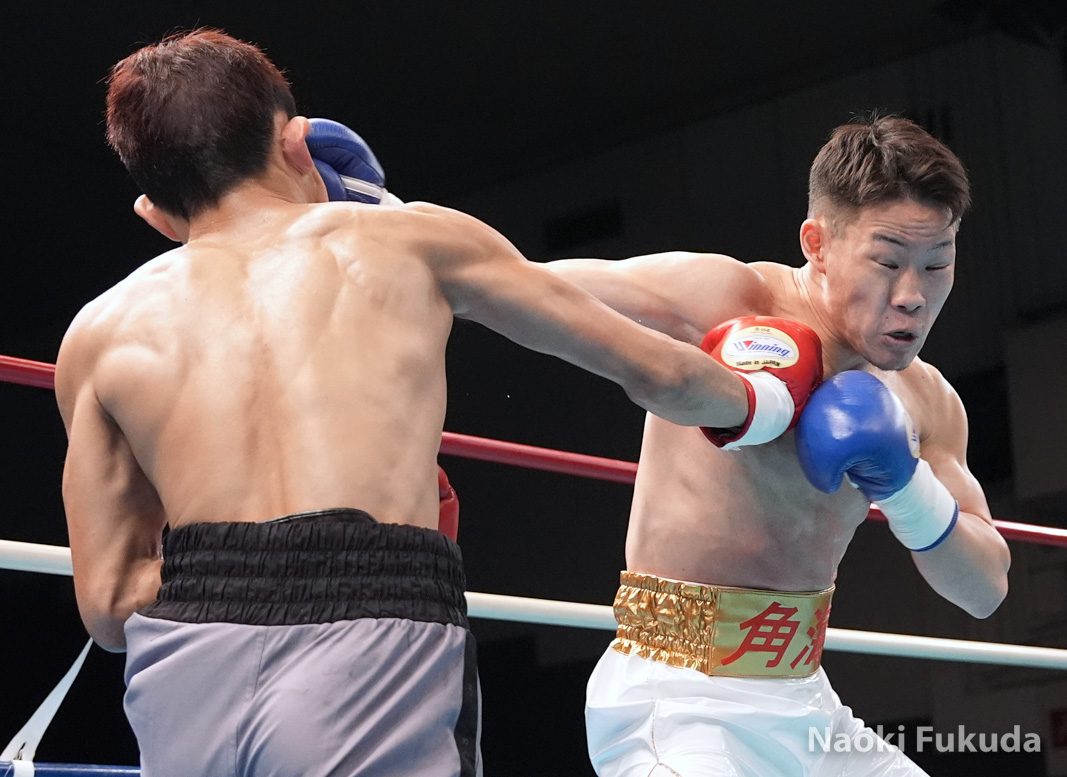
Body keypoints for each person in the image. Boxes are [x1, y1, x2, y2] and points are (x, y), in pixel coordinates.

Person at [53, 29, 825, 777]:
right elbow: (658, 373)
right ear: (295, 143)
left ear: (154, 212)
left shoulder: (95, 334)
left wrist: (236, 564)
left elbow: (110, 607)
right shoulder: (410, 238)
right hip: (370, 632)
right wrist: (761, 400)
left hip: (186, 666)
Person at [546, 114, 1012, 776]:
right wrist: (397, 228)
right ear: (816, 243)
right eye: (887, 262)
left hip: (806, 701)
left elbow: (985, 589)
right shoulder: (728, 297)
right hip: (679, 695)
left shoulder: (925, 399)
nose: (912, 295)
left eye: (937, 263)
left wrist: (906, 486)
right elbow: (515, 283)